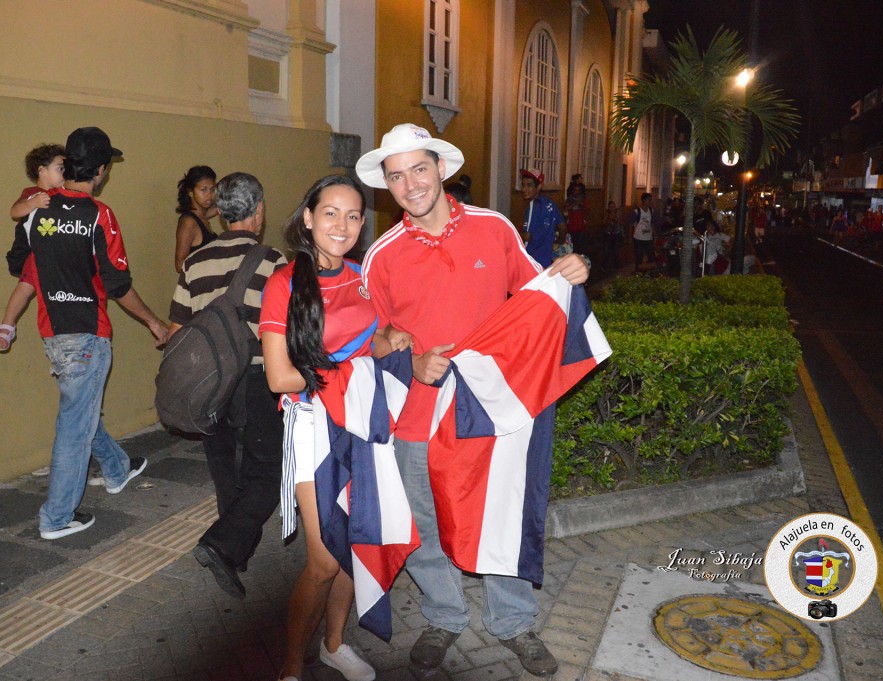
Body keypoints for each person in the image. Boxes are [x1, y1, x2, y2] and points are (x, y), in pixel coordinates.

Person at [356, 123, 589, 677]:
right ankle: (444, 613)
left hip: (492, 403)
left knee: (502, 511)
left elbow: (537, 291)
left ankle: (512, 622)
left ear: (440, 168)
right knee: (423, 515)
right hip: (417, 408)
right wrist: (410, 363)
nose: (410, 183)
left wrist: (571, 273)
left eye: (418, 168)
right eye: (396, 175)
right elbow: (373, 339)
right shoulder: (381, 257)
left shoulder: (494, 229)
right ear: (386, 185)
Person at [260, 175, 405, 681]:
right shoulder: (284, 285)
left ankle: (334, 643)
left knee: (354, 544)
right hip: (312, 427)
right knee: (322, 561)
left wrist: (392, 340)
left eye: (352, 216)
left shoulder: (364, 276)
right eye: (329, 213)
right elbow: (280, 377)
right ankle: (289, 668)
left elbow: (378, 337)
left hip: (362, 417)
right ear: (307, 218)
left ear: (363, 224)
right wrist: (352, 367)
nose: (341, 225)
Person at [6, 127, 167, 539]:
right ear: (99, 170)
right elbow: (118, 285)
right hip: (88, 334)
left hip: (53, 332)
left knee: (81, 413)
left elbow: (18, 263)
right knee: (74, 428)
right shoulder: (99, 214)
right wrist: (152, 320)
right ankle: (57, 518)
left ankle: (116, 470)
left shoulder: (35, 209)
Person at [168, 172, 288, 599]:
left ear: (219, 213)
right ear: (258, 211)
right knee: (269, 470)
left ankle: (235, 552)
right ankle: (222, 544)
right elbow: (285, 328)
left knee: (225, 469)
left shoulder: (194, 263)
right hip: (256, 379)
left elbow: (175, 328)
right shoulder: (272, 262)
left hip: (207, 381)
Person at [0, 144, 67, 352]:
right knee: (25, 287)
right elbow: (15, 212)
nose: (65, 173)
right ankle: (7, 325)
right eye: (60, 168)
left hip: (56, 257)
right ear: (42, 170)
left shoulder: (64, 196)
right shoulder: (33, 193)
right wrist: (32, 203)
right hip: (35, 253)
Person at [173, 165, 220, 273]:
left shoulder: (202, 216)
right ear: (191, 192)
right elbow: (179, 265)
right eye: (203, 190)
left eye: (212, 189)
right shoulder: (189, 222)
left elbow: (219, 207)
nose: (209, 195)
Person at [519, 168, 567, 269]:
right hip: (546, 261)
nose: (524, 189)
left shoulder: (533, 206)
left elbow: (527, 237)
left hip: (531, 261)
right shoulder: (550, 203)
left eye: (529, 185)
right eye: (523, 185)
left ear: (539, 186)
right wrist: (558, 242)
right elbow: (562, 227)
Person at [630, 192, 656, 272]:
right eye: (649, 200)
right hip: (639, 238)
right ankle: (638, 273)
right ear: (644, 200)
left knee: (651, 256)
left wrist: (654, 235)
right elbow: (631, 224)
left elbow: (652, 223)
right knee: (639, 257)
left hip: (648, 238)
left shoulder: (651, 210)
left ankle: (649, 272)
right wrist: (630, 237)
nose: (651, 202)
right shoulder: (637, 211)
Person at [565, 173, 588, 255]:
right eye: (575, 190)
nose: (577, 192)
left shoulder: (583, 200)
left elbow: (587, 210)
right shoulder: (570, 200)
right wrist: (574, 204)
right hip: (571, 226)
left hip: (581, 227)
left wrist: (581, 203)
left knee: (580, 247)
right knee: (572, 247)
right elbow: (565, 210)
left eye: (578, 191)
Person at [601, 200, 623, 270]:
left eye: (613, 206)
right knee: (607, 250)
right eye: (611, 207)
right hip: (608, 234)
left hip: (616, 233)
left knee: (616, 250)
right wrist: (609, 219)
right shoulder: (606, 213)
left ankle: (616, 265)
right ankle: (605, 266)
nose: (612, 208)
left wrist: (616, 219)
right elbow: (603, 222)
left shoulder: (618, 213)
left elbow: (622, 222)